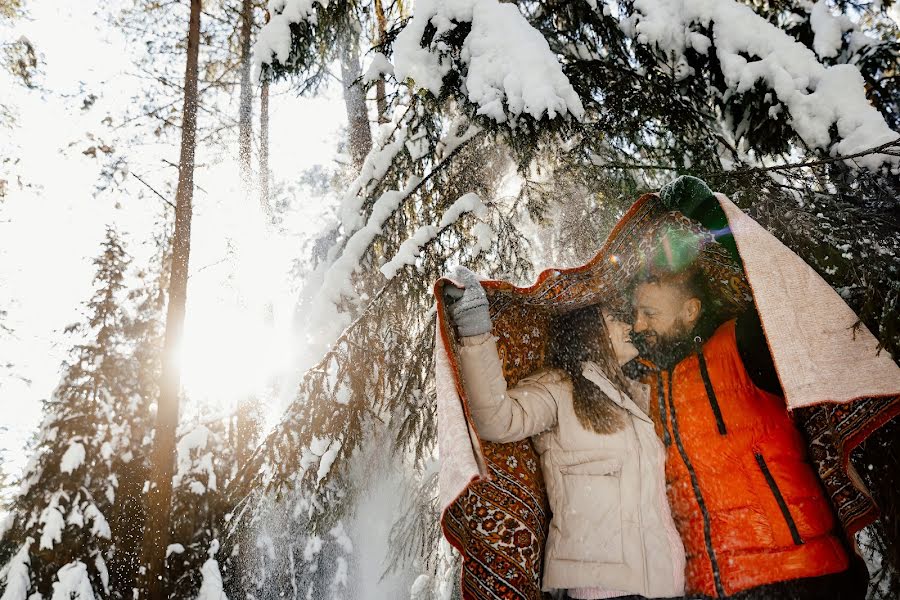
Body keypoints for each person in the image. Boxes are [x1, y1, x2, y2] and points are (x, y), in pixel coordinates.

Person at [444, 265, 685, 600]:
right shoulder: (558, 388)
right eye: (615, 320)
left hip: (663, 585)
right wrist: (474, 327)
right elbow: (497, 419)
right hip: (602, 587)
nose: (629, 325)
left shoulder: (633, 398)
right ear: (591, 335)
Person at [629, 261, 863, 599]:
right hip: (708, 587)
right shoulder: (644, 384)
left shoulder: (742, 341)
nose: (638, 324)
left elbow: (817, 317)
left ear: (690, 310)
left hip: (798, 574)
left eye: (650, 313)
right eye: (636, 313)